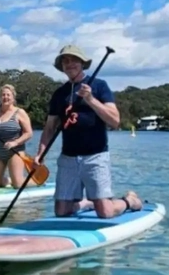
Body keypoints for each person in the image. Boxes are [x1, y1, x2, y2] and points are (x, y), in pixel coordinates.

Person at [34, 44, 142, 218]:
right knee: (61, 212)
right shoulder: (59, 94)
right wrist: (40, 154)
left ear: (82, 63)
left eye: (74, 60)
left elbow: (114, 121)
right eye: (65, 61)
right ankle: (91, 202)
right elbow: (49, 128)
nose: (70, 64)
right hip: (68, 157)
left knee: (106, 213)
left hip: (95, 156)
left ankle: (129, 200)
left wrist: (91, 99)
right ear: (62, 67)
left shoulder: (99, 86)